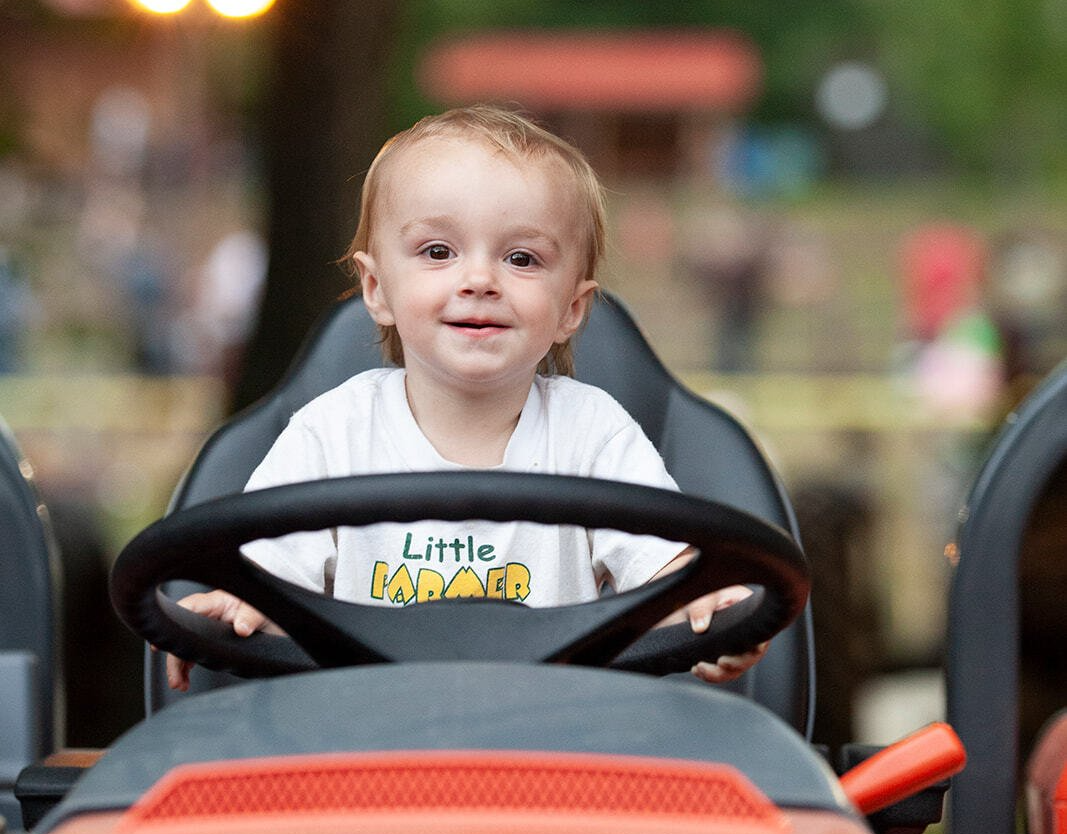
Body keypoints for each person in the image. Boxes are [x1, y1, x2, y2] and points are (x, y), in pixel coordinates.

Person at [166, 105, 767, 691]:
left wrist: (705, 611)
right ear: (376, 288)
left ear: (572, 308)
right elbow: (268, 595)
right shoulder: (331, 434)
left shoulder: (594, 435)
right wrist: (240, 609)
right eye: (438, 252)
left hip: (548, 739)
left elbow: (668, 585)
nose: (479, 280)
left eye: (521, 259)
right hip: (363, 738)